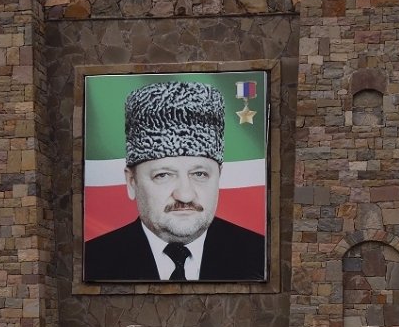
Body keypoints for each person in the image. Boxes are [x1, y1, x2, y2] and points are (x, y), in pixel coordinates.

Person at [84, 81, 265, 281]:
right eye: (163, 175)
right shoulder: (91, 263)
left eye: (200, 174)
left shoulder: (261, 256)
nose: (185, 195)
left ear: (219, 177)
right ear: (131, 182)